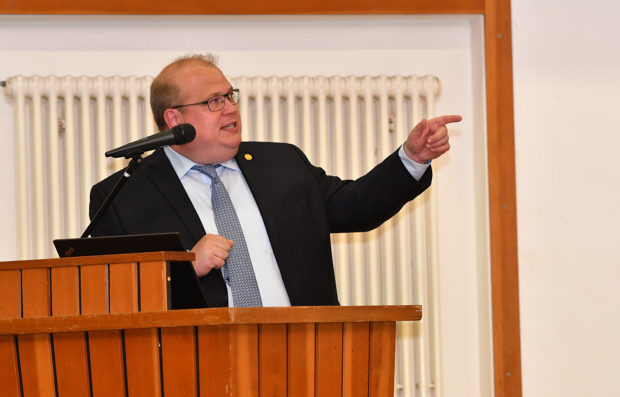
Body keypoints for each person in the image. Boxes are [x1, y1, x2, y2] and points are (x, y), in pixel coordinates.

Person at [89, 54, 462, 308]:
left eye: (230, 96)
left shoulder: (282, 163)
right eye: (214, 101)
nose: (231, 108)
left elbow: (357, 207)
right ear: (174, 119)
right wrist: (184, 265)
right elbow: (114, 295)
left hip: (303, 350)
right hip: (197, 368)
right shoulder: (124, 196)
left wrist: (412, 158)